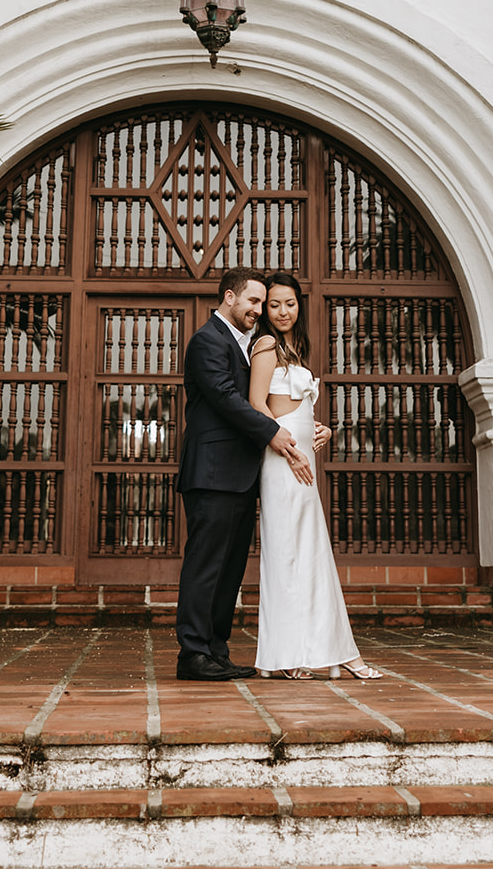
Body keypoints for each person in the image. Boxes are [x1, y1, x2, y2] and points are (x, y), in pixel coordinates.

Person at [175, 266, 313, 682]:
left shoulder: (248, 344)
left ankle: (216, 651)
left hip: (241, 476)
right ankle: (192, 653)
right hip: (211, 474)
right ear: (229, 298)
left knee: (230, 570)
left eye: (261, 302)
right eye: (253, 301)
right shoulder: (207, 340)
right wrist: (274, 432)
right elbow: (226, 397)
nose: (258, 309)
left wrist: (306, 423)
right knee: (205, 566)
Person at [249, 271, 383, 680]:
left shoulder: (295, 348)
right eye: (274, 305)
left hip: (300, 463)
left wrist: (320, 427)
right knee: (288, 556)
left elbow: (290, 405)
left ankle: (320, 651)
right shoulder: (267, 344)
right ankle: (291, 656)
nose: (283, 311)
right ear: (265, 311)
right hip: (283, 463)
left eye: (289, 303)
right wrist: (291, 448)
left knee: (309, 555)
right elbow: (256, 404)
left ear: (299, 305)